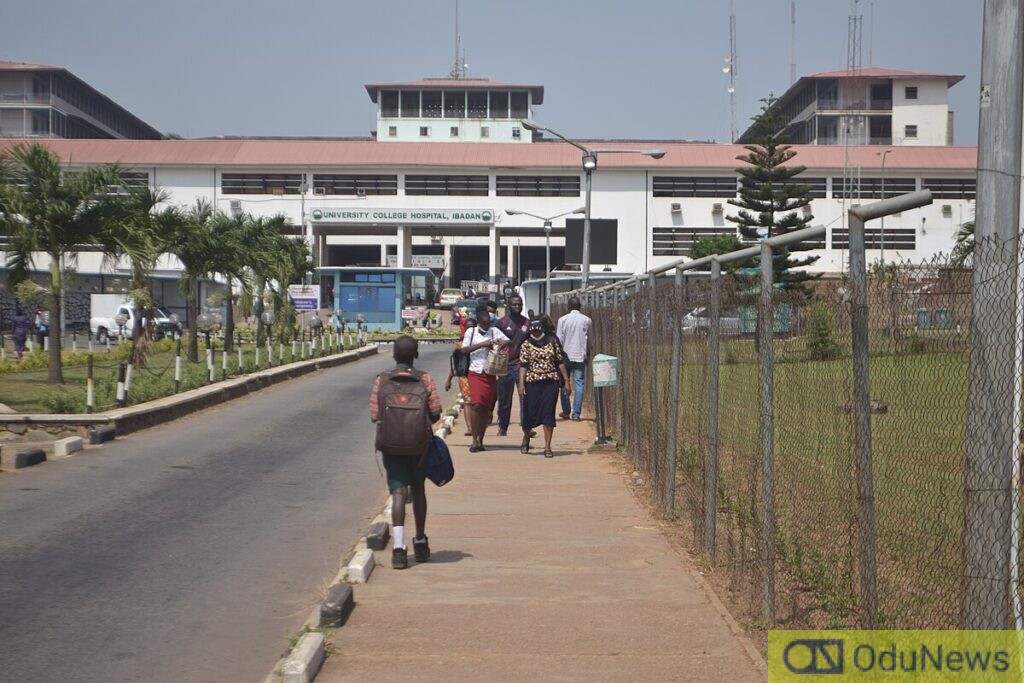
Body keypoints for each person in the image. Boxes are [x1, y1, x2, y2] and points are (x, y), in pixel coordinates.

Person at [369, 335, 443, 570]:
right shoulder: (425, 379)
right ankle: (420, 541)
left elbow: (374, 415)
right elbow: (436, 413)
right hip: (418, 446)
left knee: (399, 493)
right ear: (416, 354)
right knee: (418, 490)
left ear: (393, 354)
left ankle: (399, 550)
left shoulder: (382, 380)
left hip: (391, 446)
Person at [519, 317, 571, 458]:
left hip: (550, 382)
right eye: (533, 332)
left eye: (538, 331)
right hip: (532, 382)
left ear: (542, 330)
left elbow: (560, 361)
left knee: (548, 413)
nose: (536, 334)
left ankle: (547, 446)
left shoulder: (552, 342)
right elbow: (523, 366)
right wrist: (521, 384)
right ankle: (526, 436)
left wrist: (566, 381)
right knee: (530, 412)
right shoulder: (526, 345)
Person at [460, 304, 509, 452]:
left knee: (485, 409)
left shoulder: (494, 331)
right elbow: (464, 349)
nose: (487, 326)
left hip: (490, 373)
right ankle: (474, 440)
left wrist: (499, 344)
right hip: (475, 372)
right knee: (476, 405)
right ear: (479, 322)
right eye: (484, 323)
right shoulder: (471, 332)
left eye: (489, 323)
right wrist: (482, 345)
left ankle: (481, 439)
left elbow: (508, 341)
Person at [495, 294, 530, 437]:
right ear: (509, 306)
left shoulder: (527, 323)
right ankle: (503, 427)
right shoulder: (501, 323)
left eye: (520, 304)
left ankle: (527, 427)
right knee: (504, 399)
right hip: (504, 365)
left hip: (521, 365)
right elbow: (494, 341)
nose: (517, 307)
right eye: (515, 304)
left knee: (525, 397)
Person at [556, 296, 593, 421]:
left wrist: (558, 356)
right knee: (579, 384)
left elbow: (559, 340)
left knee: (563, 383)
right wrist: (588, 353)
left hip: (565, 356)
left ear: (569, 306)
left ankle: (566, 411)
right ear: (580, 307)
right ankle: (576, 414)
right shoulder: (587, 320)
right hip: (580, 355)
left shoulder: (562, 320)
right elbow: (590, 339)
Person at [445, 316, 476, 437]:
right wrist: (449, 379)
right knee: (468, 402)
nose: (469, 331)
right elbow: (455, 364)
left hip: (479, 375)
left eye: (472, 328)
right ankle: (470, 428)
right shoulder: (460, 345)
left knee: (477, 403)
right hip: (465, 376)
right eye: (467, 328)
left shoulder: (482, 342)